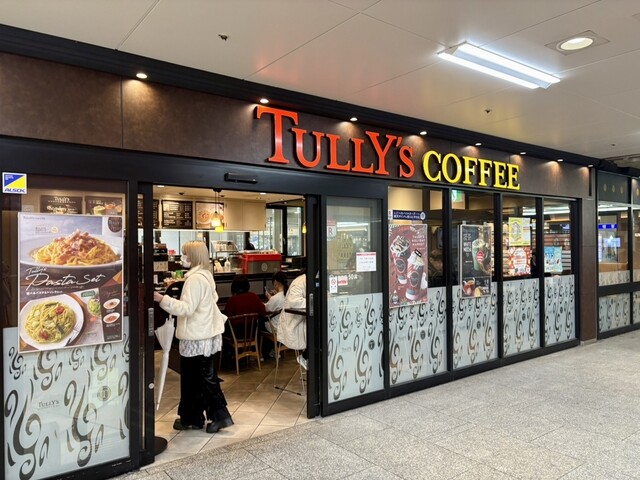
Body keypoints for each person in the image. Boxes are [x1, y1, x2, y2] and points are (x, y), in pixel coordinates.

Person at [153, 241, 233, 434]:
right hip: (203, 334)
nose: (183, 258)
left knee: (203, 378)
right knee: (195, 378)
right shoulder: (205, 276)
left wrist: (162, 299)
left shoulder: (195, 279)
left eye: (185, 254)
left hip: (197, 336)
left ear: (194, 256)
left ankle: (219, 416)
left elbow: (186, 308)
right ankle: (192, 417)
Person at [278, 273, 307, 369]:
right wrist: (314, 301)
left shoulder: (309, 280)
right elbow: (294, 301)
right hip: (293, 321)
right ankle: (306, 356)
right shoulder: (300, 282)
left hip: (303, 319)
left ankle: (307, 357)